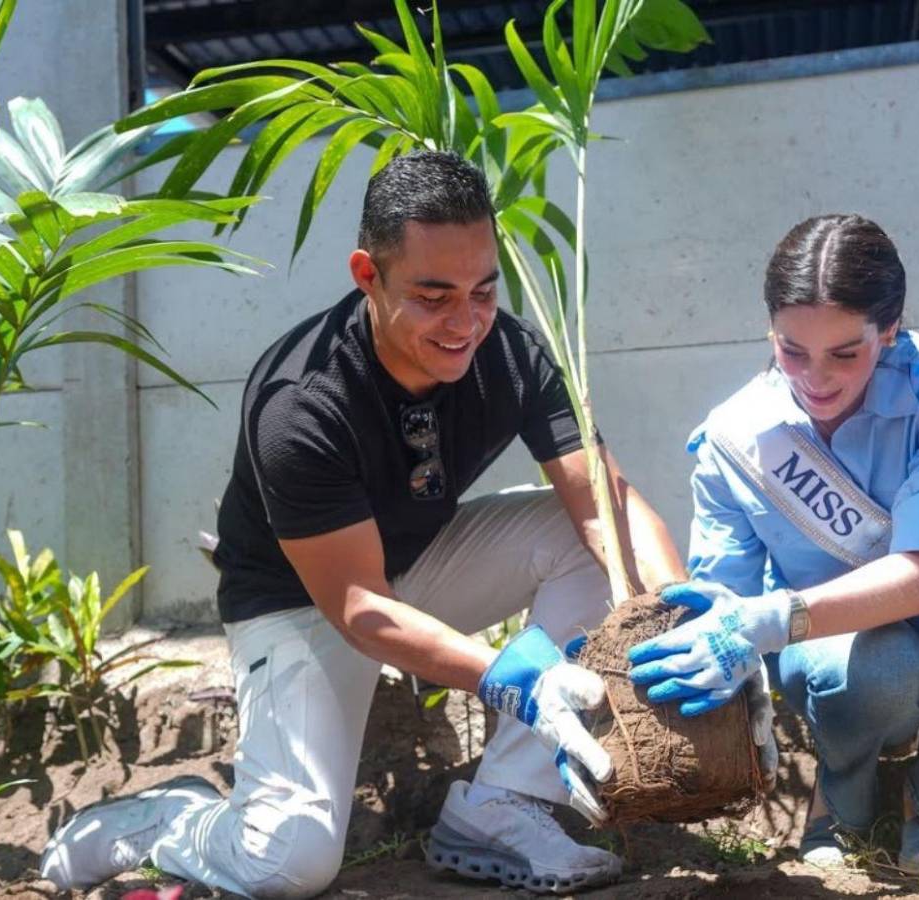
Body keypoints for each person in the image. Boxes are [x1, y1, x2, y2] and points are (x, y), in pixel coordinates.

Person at [39, 151, 690, 897]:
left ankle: (502, 805)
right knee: (289, 863)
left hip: (415, 566)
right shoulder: (300, 403)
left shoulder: (507, 349)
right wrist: (511, 679)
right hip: (303, 606)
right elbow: (358, 607)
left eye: (482, 291)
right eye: (433, 296)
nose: (465, 323)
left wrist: (684, 616)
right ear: (367, 275)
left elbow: (608, 506)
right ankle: (171, 817)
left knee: (580, 538)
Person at [626, 214, 919, 872]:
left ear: (888, 329)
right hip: (833, 655)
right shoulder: (734, 438)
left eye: (844, 353)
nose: (816, 377)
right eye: (791, 350)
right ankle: (842, 799)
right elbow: (724, 600)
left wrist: (768, 619)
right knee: (876, 670)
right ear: (771, 332)